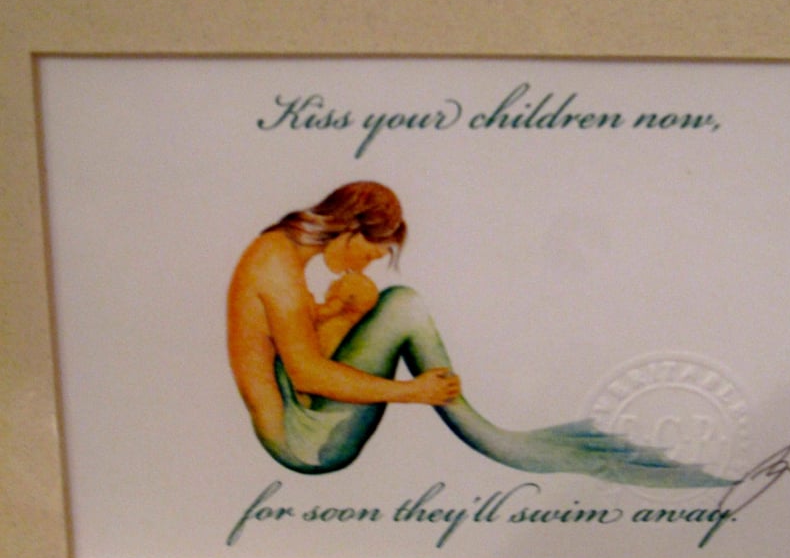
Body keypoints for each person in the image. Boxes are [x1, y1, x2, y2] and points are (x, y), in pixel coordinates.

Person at [228, 180, 732, 486]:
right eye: (369, 253)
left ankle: (487, 430)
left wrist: (338, 314)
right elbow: (308, 376)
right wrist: (411, 392)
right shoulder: (277, 264)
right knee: (403, 304)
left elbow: (294, 354)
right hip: (306, 444)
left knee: (392, 303)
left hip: (303, 422)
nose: (364, 265)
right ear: (351, 229)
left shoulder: (280, 252)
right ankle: (491, 436)